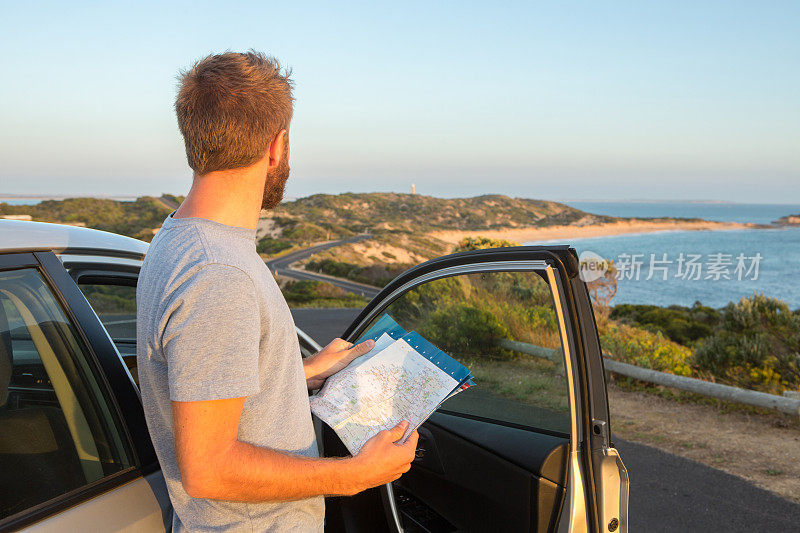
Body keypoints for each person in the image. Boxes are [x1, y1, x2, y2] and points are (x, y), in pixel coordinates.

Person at [136, 51, 418, 532]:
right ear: (277, 145)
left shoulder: (182, 240)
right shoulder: (217, 272)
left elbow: (204, 388)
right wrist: (354, 476)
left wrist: (300, 371)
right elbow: (208, 468)